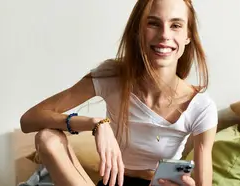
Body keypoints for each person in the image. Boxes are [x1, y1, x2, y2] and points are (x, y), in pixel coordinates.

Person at [20, 0, 217, 185]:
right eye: (153, 23)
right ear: (138, 31)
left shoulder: (200, 107)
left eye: (176, 25)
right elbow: (29, 119)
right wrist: (96, 124)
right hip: (114, 182)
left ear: (188, 35)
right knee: (47, 138)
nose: (165, 35)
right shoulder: (112, 78)